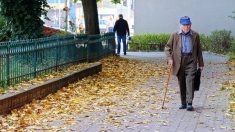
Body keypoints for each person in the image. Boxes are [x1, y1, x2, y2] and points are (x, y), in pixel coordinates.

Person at [164, 16, 204, 111]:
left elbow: (199, 50)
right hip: (179, 61)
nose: (187, 27)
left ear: (191, 25)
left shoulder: (195, 35)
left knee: (190, 81)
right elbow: (167, 48)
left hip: (191, 60)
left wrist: (201, 63)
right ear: (180, 25)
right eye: (185, 25)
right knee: (181, 82)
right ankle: (183, 103)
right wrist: (169, 58)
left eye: (188, 25)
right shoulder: (175, 35)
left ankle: (189, 103)